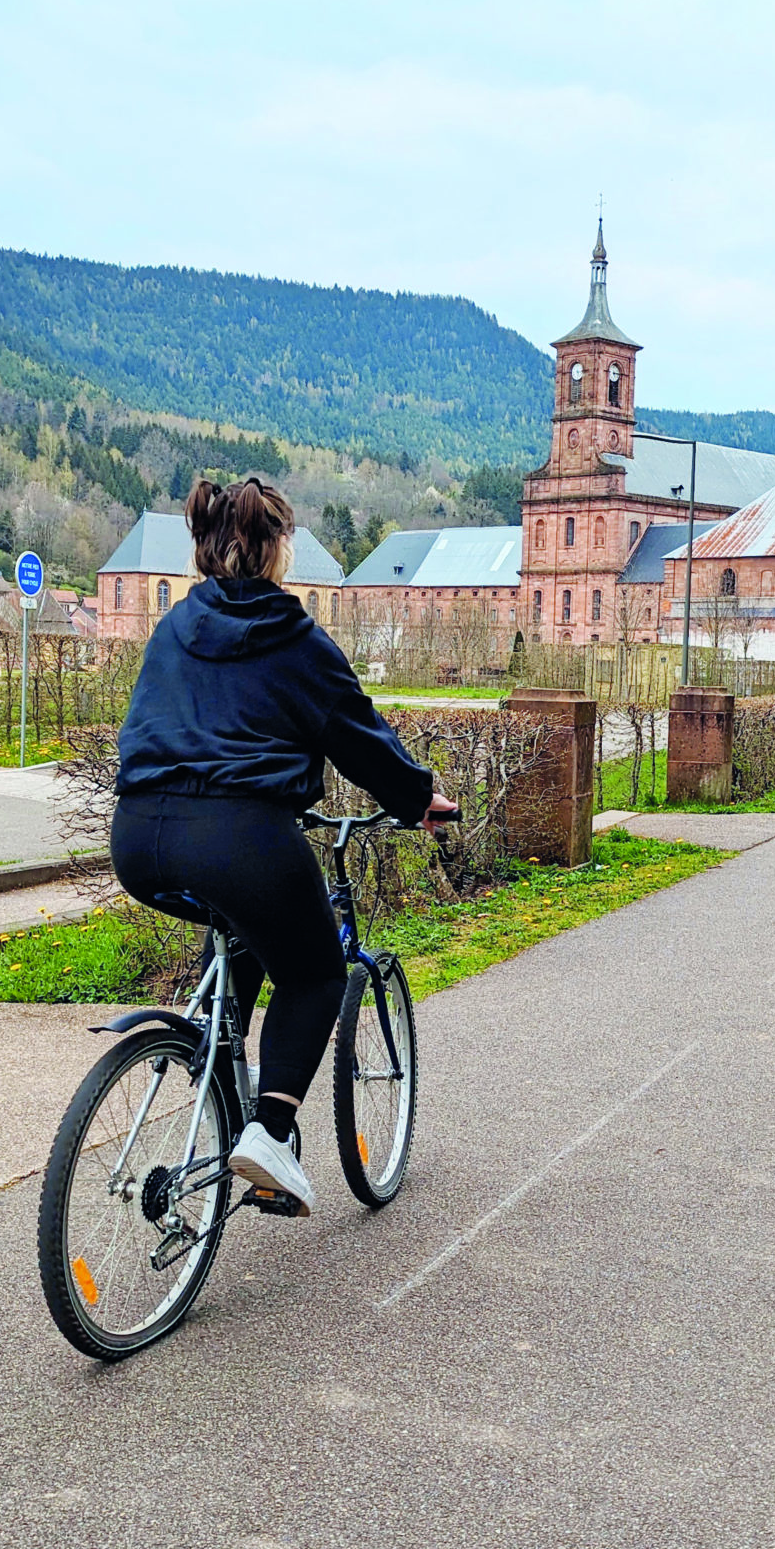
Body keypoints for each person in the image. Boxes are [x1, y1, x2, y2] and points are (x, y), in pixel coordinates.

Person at [111, 477, 456, 1215]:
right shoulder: (297, 640)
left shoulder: (173, 627)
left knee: (241, 935)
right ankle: (269, 1133)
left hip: (139, 835)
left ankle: (212, 1069)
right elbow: (359, 737)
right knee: (316, 974)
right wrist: (418, 798)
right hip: (240, 835)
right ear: (276, 552)